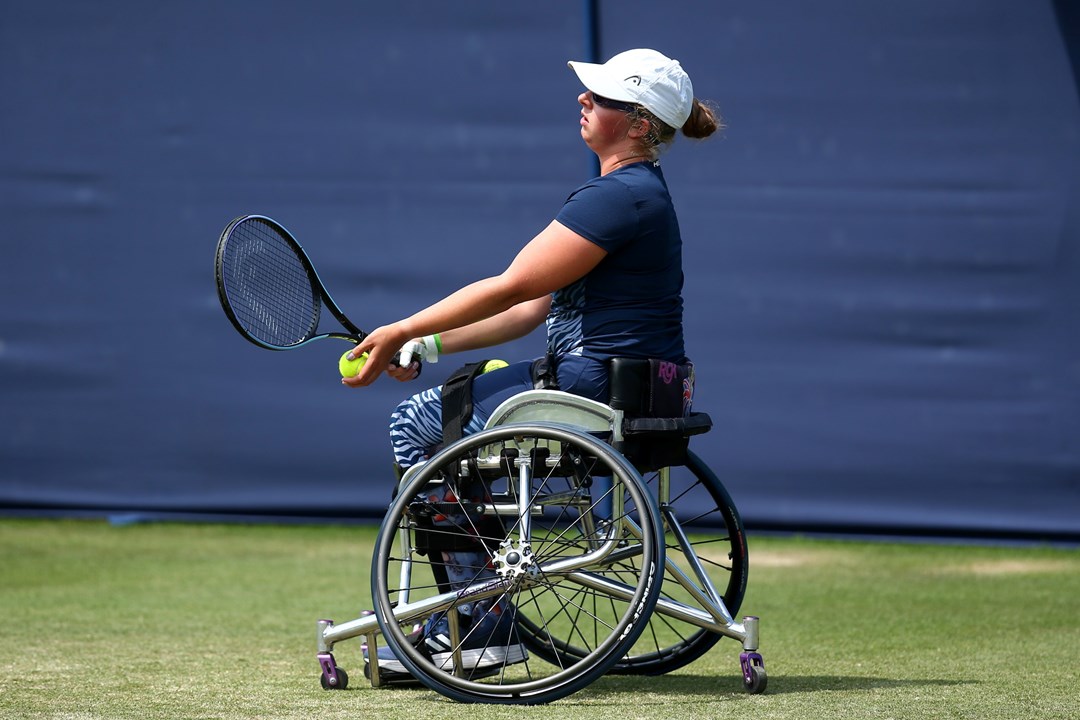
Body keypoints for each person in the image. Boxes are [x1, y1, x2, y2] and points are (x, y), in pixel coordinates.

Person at [345, 48, 721, 682]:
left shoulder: (619, 197)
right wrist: (427, 347)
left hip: (592, 382)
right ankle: (471, 618)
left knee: (416, 425)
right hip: (630, 383)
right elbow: (531, 310)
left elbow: (511, 286)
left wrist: (402, 326)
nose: (583, 100)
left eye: (599, 97)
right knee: (454, 402)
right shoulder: (637, 194)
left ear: (636, 124)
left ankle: (477, 630)